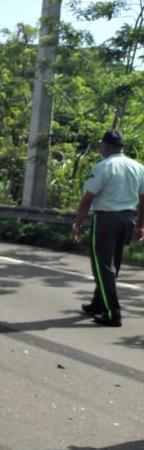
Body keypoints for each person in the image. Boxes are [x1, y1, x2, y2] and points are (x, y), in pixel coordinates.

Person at [72, 130, 144, 327]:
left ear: (106, 146)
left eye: (101, 145)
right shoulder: (138, 167)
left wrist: (77, 223)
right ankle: (98, 303)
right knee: (113, 264)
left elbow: (87, 199)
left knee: (102, 267)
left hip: (106, 220)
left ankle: (113, 313)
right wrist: (140, 226)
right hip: (128, 219)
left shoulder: (104, 166)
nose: (100, 148)